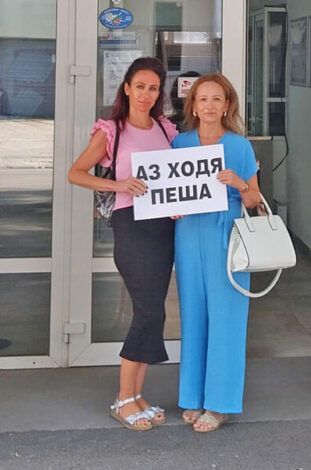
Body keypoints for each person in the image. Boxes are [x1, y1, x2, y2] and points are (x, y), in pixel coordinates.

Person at [67, 57, 178, 432]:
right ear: (127, 88)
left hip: (163, 227)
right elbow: (76, 173)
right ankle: (123, 398)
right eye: (140, 86)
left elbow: (175, 178)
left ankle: (137, 395)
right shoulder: (111, 130)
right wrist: (118, 184)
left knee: (154, 312)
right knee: (147, 313)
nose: (146, 94)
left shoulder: (164, 128)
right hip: (131, 225)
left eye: (154, 88)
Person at [171, 73, 262, 432]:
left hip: (226, 236)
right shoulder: (179, 143)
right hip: (189, 236)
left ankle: (220, 403)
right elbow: (168, 191)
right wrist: (172, 208)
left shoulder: (240, 147)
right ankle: (193, 396)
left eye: (216, 99)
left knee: (227, 318)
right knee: (193, 315)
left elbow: (254, 201)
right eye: (202, 99)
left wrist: (239, 183)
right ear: (193, 105)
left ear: (227, 105)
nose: (209, 105)